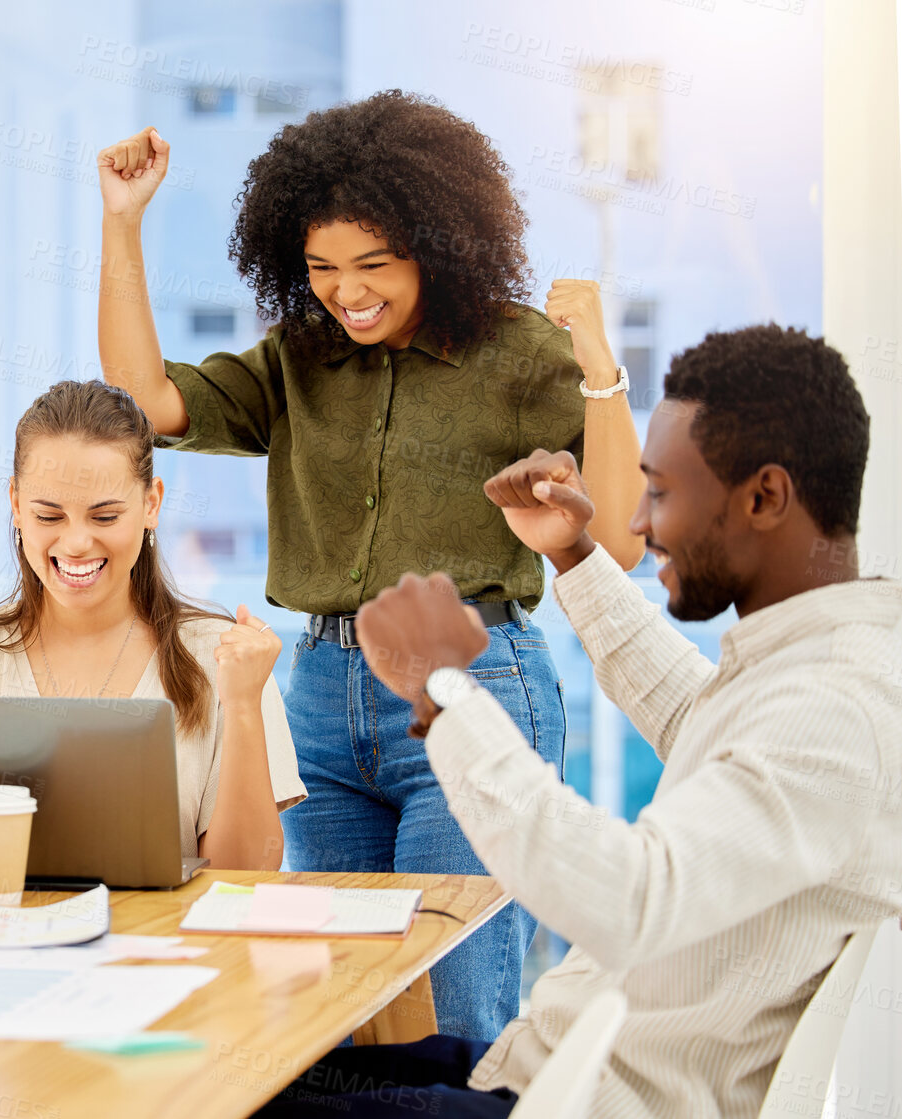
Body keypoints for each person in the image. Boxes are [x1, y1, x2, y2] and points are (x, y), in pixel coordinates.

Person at [95, 89, 645, 1040]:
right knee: (329, 1010)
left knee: (456, 1012)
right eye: (319, 268)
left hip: (473, 685)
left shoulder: (516, 352)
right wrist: (121, 224)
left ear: (437, 244)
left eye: (373, 266)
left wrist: (599, 364)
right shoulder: (297, 358)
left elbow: (625, 539)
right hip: (314, 696)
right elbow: (143, 401)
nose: (344, 291)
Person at [259, 325, 902, 1118]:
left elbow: (625, 898)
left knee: (222, 1100)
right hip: (539, 1070)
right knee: (252, 1066)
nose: (638, 522)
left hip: (579, 1101)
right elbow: (687, 710)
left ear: (762, 496)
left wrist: (443, 692)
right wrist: (570, 555)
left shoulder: (834, 706)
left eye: (661, 491)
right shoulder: (812, 665)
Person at [0, 381, 304, 870]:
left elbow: (246, 876)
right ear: (16, 504)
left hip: (163, 945)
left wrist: (241, 705)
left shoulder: (222, 655)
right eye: (50, 515)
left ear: (151, 505)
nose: (77, 542)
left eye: (105, 516)